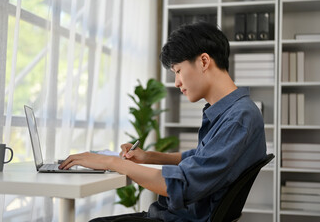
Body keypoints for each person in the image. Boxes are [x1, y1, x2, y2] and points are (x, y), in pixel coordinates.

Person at [59, 21, 267, 222]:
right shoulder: (234, 112)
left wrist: (111, 162)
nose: (177, 82)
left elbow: (183, 185)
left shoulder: (238, 118)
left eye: (178, 71)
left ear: (204, 61)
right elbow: (201, 158)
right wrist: (148, 156)